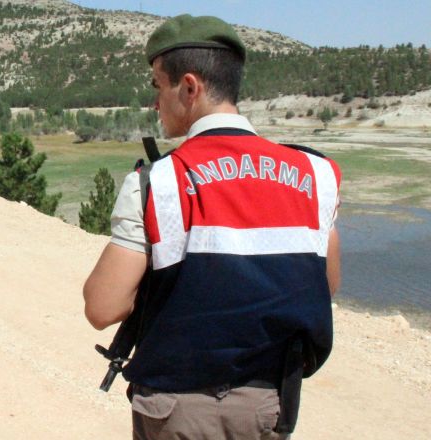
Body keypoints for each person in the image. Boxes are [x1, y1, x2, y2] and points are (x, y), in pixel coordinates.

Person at [83, 15, 342, 440]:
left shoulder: (156, 182)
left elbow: (102, 308)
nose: (154, 103)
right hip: (267, 408)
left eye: (156, 86)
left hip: (174, 410)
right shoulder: (317, 175)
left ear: (189, 87)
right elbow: (324, 285)